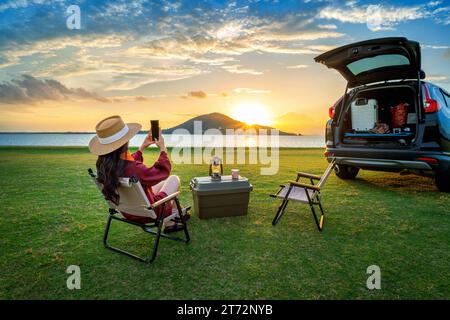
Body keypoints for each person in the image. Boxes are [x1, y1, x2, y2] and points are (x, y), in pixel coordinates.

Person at [88, 115, 185, 233]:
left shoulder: (103, 167)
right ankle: (170, 219)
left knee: (163, 183)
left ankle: (172, 219)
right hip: (149, 213)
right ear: (126, 142)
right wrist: (162, 147)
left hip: (126, 211)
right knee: (173, 179)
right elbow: (162, 171)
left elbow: (127, 165)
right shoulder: (134, 169)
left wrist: (142, 148)